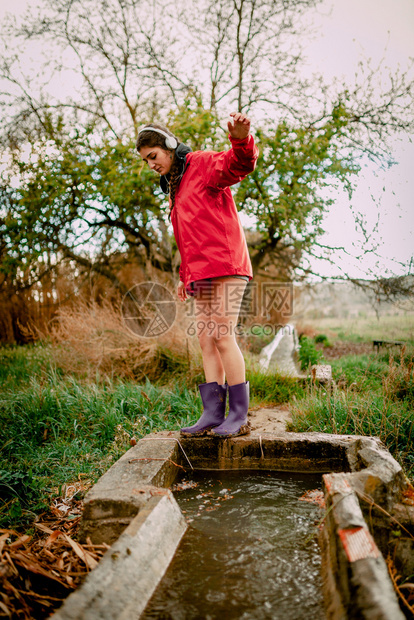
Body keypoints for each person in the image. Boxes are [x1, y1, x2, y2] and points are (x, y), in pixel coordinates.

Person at [136, 112, 259, 437]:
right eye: (145, 160)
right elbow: (189, 237)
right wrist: (184, 275)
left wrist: (241, 139)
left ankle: (238, 414)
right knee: (206, 340)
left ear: (169, 147)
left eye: (153, 156)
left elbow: (239, 164)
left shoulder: (201, 164)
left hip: (228, 264)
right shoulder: (176, 187)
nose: (150, 164)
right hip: (200, 272)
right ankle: (212, 413)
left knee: (221, 335)